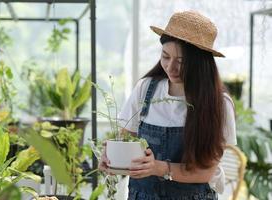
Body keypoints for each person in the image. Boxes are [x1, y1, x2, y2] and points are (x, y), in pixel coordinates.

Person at [99, 10, 236, 200]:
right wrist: (111, 158)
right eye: (165, 56)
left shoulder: (218, 104)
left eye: (182, 61)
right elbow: (124, 140)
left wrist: (159, 168)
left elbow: (205, 172)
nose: (171, 68)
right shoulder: (145, 89)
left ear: (201, 63)